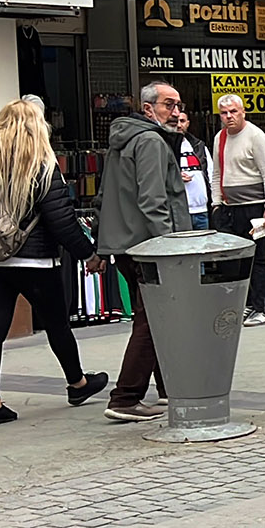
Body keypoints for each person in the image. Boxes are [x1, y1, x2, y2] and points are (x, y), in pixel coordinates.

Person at [0, 99, 109, 426]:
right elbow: (61, 220)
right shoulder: (41, 162)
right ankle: (77, 383)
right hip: (35, 261)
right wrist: (89, 253)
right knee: (57, 324)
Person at [99, 81, 194, 422]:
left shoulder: (125, 140)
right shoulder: (151, 141)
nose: (176, 111)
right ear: (148, 108)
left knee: (155, 318)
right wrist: (169, 246)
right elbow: (154, 201)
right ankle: (125, 396)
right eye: (169, 104)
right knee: (152, 320)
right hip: (149, 246)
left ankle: (168, 387)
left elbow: (108, 195)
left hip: (127, 243)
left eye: (178, 105)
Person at [212, 94, 265, 326]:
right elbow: (217, 173)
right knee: (237, 259)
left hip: (254, 207)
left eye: (233, 111)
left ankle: (261, 308)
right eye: (224, 113)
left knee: (257, 258)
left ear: (243, 112)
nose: (229, 116)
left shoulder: (256, 136)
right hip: (229, 207)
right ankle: (248, 304)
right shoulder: (219, 138)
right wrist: (216, 203)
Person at [172, 110, 211, 231]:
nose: (179, 125)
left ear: (188, 123)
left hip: (202, 210)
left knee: (203, 247)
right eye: (176, 121)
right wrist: (175, 176)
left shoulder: (199, 146)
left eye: (182, 121)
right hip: (179, 212)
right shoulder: (165, 146)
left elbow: (212, 174)